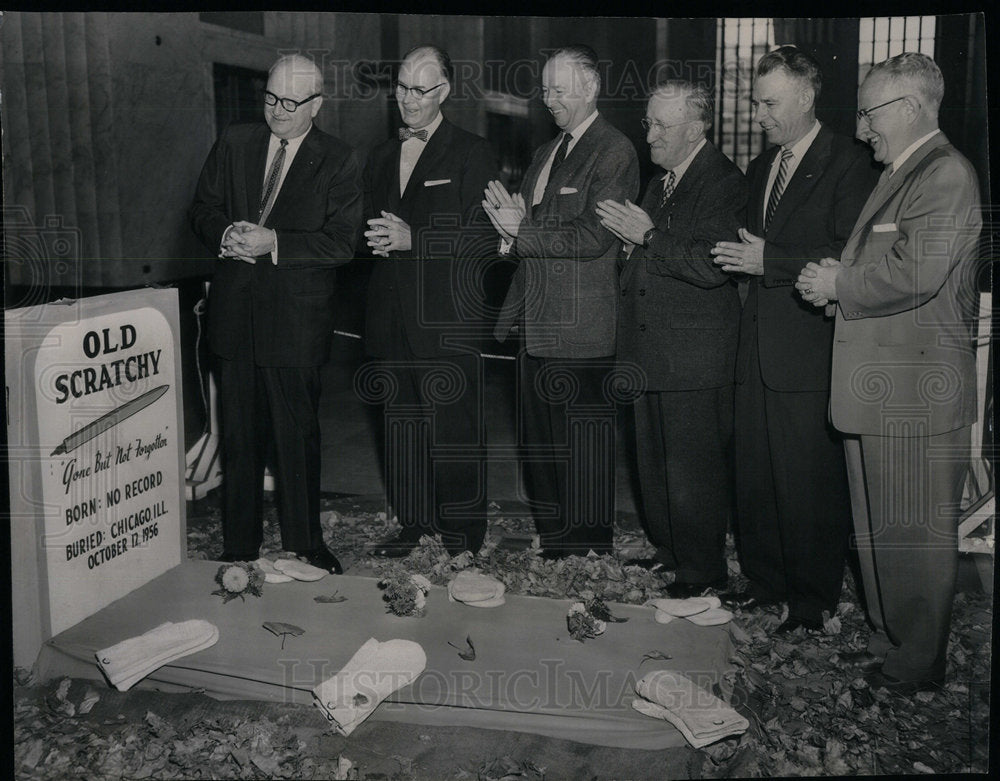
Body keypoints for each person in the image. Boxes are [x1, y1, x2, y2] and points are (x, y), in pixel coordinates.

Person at [796, 52, 981, 692]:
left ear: (906, 108)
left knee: (913, 539)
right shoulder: (904, 171)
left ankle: (916, 663)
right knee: (880, 534)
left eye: (871, 112)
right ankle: (889, 643)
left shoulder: (945, 175)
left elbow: (916, 273)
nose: (863, 126)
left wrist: (837, 282)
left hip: (914, 394)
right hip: (880, 388)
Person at [710, 46, 879, 631]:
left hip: (806, 352)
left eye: (769, 102)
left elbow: (849, 252)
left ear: (806, 98)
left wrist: (770, 259)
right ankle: (764, 583)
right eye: (756, 102)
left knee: (807, 480)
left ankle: (811, 603)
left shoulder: (850, 164)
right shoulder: (762, 167)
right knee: (755, 475)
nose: (759, 114)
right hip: (754, 350)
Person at [190, 54, 362, 573]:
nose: (277, 111)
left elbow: (342, 242)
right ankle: (239, 545)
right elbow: (201, 209)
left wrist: (274, 243)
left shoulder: (339, 159)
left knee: (296, 437)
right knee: (239, 438)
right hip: (234, 317)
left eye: (290, 102)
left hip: (296, 322)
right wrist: (224, 235)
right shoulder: (234, 143)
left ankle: (306, 543)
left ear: (316, 104)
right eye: (270, 99)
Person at [483, 45, 639, 559]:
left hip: (581, 332)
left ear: (591, 88)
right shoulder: (545, 153)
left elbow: (594, 236)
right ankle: (556, 549)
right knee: (543, 452)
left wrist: (521, 230)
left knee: (583, 455)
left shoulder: (613, 150)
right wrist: (508, 234)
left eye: (559, 89)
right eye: (545, 89)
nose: (548, 99)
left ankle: (588, 555)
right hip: (534, 326)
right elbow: (527, 232)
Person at [596, 81, 746, 598]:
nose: (651, 134)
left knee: (692, 471)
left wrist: (647, 237)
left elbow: (711, 264)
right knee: (655, 464)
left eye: (663, 125)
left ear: (696, 128)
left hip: (693, 357)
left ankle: (702, 570)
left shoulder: (723, 181)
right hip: (650, 351)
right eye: (648, 123)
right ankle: (670, 553)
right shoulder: (662, 182)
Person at [362, 45, 498, 558]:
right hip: (387, 315)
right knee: (402, 428)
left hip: (446, 319)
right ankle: (414, 526)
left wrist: (414, 239)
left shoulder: (471, 151)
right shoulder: (378, 154)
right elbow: (366, 228)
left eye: (420, 89)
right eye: (401, 87)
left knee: (454, 430)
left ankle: (464, 538)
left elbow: (485, 238)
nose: (408, 99)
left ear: (443, 92)